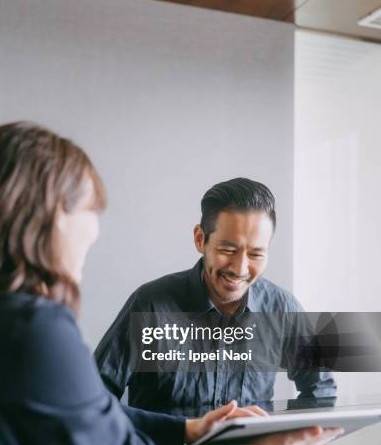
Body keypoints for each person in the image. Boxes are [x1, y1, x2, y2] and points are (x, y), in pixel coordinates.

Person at [0, 123, 340, 445]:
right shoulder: (42, 327)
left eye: (256, 253)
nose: (95, 229)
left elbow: (81, 412)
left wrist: (190, 429)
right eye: (89, 210)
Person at [96, 178, 336, 416]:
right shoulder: (149, 305)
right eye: (227, 250)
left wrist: (281, 435)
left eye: (255, 254)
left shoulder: (283, 309)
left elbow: (321, 394)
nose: (240, 268)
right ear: (200, 239)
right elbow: (95, 399)